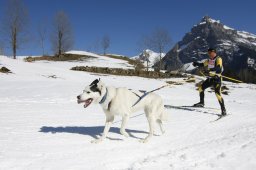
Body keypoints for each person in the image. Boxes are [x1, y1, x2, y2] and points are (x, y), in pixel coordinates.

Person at [192, 48, 227, 116]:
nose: (209, 54)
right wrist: (196, 63)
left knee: (217, 94)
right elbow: (202, 64)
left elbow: (218, 68)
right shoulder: (209, 60)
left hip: (217, 79)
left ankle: (223, 109)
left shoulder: (218, 59)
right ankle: (201, 103)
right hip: (210, 78)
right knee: (201, 88)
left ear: (214, 52)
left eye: (210, 53)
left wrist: (210, 70)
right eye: (208, 53)